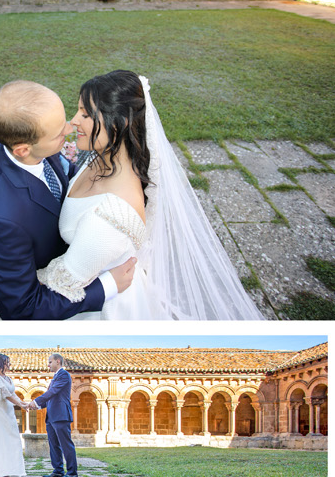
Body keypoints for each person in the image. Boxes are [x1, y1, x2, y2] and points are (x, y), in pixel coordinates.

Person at [37, 70, 263, 320]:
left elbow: (59, 288)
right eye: (78, 110)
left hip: (98, 310)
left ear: (120, 122)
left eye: (86, 114)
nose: (73, 122)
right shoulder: (101, 155)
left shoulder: (110, 218)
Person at [0, 80, 136, 320]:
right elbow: (24, 307)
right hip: (55, 299)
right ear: (22, 150)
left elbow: (61, 180)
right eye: (59, 132)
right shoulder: (0, 219)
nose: (70, 128)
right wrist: (106, 287)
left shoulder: (35, 147)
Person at [33, 353, 78, 477]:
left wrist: (35, 401)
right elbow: (50, 398)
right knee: (54, 445)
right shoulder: (55, 377)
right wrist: (36, 406)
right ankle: (58, 470)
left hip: (61, 415)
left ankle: (72, 473)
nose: (48, 365)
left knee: (66, 445)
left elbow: (52, 392)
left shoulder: (64, 375)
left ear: (58, 361)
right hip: (51, 416)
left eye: (50, 362)